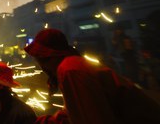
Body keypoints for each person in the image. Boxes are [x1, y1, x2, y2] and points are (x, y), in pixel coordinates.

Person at [24, 28, 160, 124]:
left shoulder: (70, 70)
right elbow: (75, 112)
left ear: (46, 57)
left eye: (39, 59)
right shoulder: (74, 63)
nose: (41, 67)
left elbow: (91, 118)